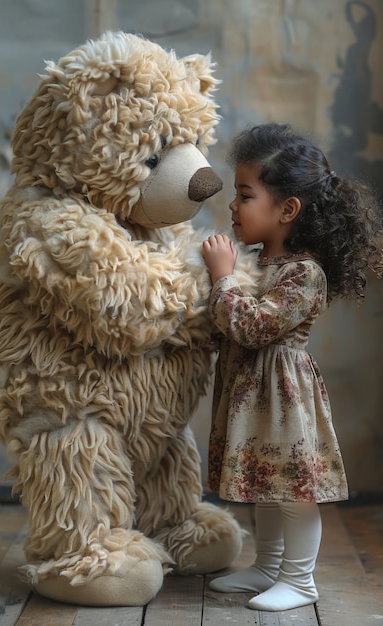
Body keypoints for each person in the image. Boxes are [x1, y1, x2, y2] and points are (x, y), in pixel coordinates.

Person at [202, 122, 383, 612]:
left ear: (286, 209)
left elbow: (253, 327)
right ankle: (268, 564)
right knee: (267, 483)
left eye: (245, 194)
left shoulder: (304, 273)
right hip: (255, 394)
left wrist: (222, 278)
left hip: (283, 398)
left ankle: (300, 581)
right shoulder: (259, 263)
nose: (233, 206)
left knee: (293, 492)